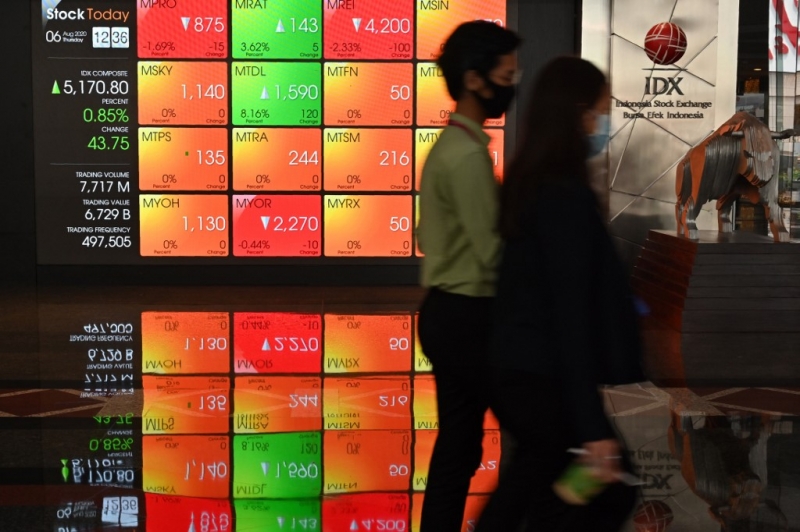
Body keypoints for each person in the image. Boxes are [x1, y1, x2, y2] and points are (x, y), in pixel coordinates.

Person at [474, 56, 645, 531]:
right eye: (599, 113)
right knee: (603, 490)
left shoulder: (533, 184)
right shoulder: (562, 197)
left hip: (524, 372)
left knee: (537, 485)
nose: (602, 125)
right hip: (542, 379)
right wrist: (591, 426)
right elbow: (569, 313)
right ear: (576, 115)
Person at [416, 20, 521, 532]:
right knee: (533, 436)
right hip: (469, 318)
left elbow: (426, 234)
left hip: (447, 312)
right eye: (506, 75)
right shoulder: (466, 157)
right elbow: (492, 253)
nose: (512, 85)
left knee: (459, 443)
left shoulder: (450, 147)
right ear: (475, 80)